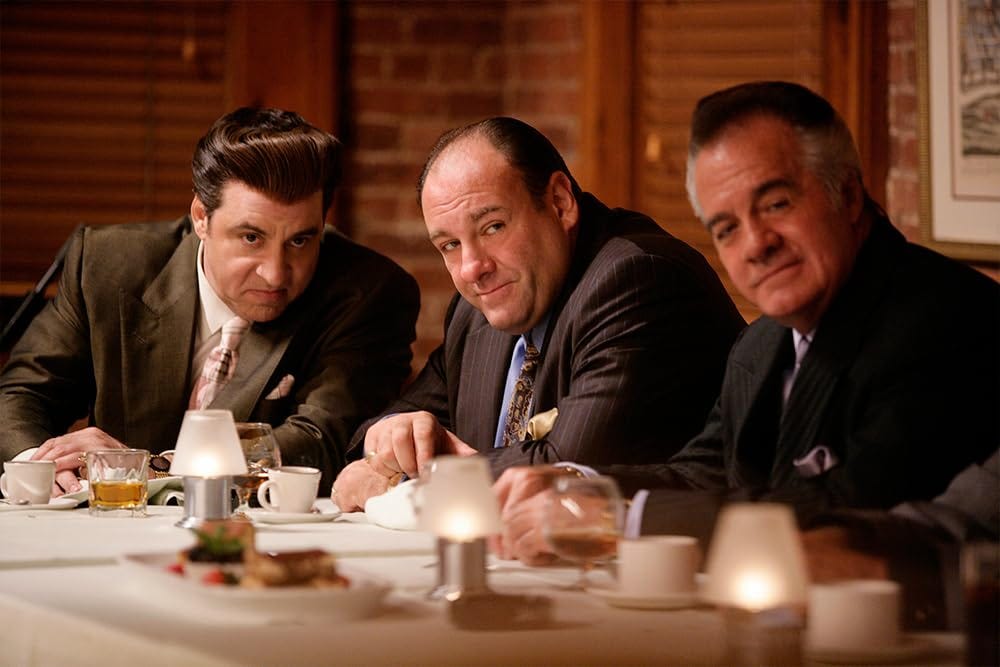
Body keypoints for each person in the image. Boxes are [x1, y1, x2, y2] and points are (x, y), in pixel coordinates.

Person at [493, 81, 999, 565]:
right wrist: (578, 485)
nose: (756, 244)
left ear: (846, 194)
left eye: (776, 205)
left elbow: (851, 512)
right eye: (727, 228)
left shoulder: (945, 321)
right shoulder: (761, 343)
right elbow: (703, 473)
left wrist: (620, 520)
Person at [0, 107, 420, 495]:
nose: (275, 273)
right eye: (251, 237)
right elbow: (20, 396)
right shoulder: (107, 265)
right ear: (201, 217)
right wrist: (42, 466)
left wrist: (146, 468)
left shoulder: (370, 292)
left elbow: (323, 441)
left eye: (300, 241)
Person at [332, 116, 745, 511]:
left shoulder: (638, 280)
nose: (472, 268)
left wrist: (409, 478)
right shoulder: (478, 310)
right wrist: (388, 439)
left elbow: (566, 474)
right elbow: (396, 423)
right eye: (450, 246)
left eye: (493, 227)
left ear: (560, 203)